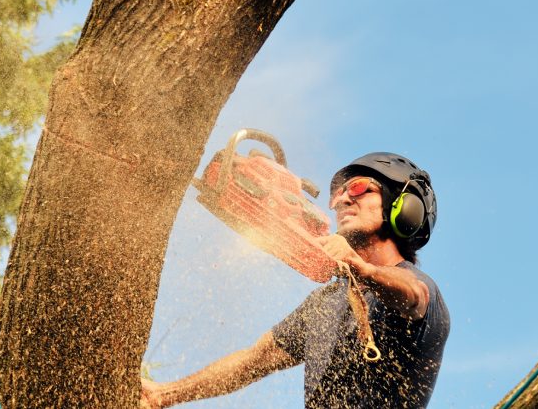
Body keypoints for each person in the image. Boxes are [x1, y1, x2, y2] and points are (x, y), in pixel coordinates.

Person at [142, 153, 450, 408]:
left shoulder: (419, 289)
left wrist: (361, 268)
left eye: (357, 188)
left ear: (404, 208)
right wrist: (163, 395)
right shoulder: (326, 303)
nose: (342, 199)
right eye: (338, 193)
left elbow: (413, 296)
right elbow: (253, 360)